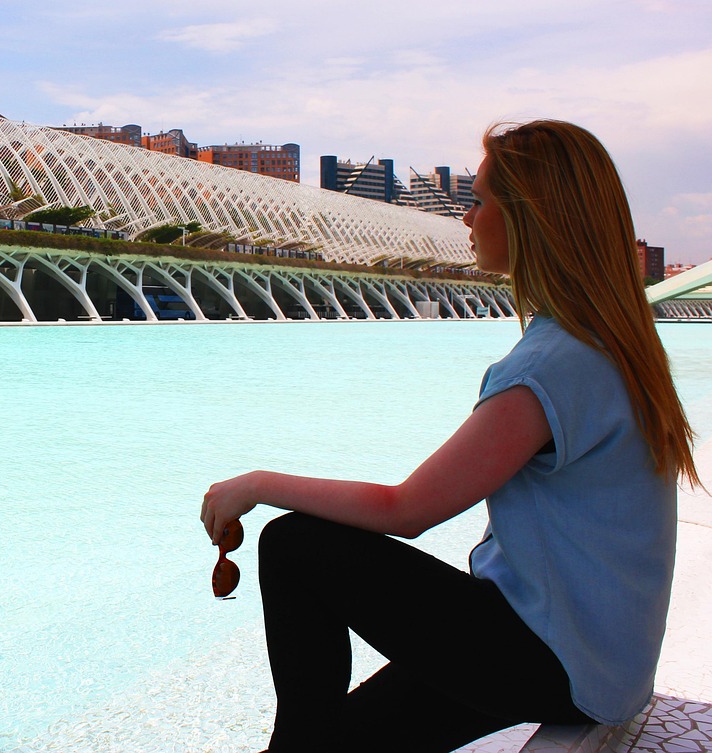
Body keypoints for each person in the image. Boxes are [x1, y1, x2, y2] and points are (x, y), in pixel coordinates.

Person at [200, 119, 702, 752]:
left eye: (482, 199)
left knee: (294, 545)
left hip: (555, 659)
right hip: (597, 660)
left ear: (531, 218)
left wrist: (257, 484)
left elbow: (406, 511)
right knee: (347, 740)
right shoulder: (609, 344)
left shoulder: (549, 366)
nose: (467, 217)